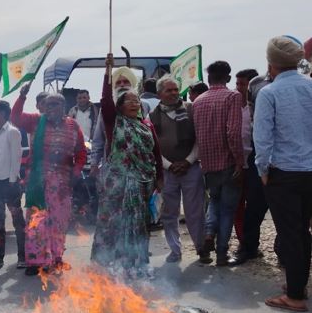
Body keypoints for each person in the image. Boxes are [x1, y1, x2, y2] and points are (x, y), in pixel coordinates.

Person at [91, 54, 163, 278]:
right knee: (113, 225)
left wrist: (160, 177)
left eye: (136, 101)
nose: (134, 103)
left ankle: (136, 265)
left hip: (142, 185)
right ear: (119, 108)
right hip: (116, 186)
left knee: (138, 225)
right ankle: (108, 267)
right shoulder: (114, 123)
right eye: (128, 101)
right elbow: (105, 101)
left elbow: (156, 152)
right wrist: (107, 72)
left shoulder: (145, 125)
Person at [253, 36, 312, 312]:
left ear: (271, 63)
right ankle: (296, 285)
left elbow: (262, 139)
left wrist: (262, 170)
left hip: (283, 174)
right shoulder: (310, 86)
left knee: (290, 234)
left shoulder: (269, 93)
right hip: (309, 172)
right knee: (303, 231)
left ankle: (296, 297)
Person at [23, 94, 87, 275]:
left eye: (55, 104)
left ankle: (56, 258)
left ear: (63, 106)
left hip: (62, 184)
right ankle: (36, 262)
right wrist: (22, 94)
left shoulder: (73, 126)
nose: (50, 107)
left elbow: (81, 152)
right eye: (47, 104)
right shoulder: (38, 122)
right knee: (37, 222)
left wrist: (75, 172)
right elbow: (15, 117)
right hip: (38, 182)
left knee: (58, 222)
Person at [150, 75, 209, 264]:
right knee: (169, 213)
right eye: (169, 90)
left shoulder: (191, 110)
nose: (174, 93)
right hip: (167, 171)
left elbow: (200, 139)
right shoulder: (152, 116)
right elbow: (152, 146)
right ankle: (175, 250)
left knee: (195, 211)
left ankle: (201, 249)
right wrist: (169, 165)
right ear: (160, 94)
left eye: (176, 89)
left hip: (190, 168)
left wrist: (188, 161)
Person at [192, 60, 244, 267]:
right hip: (229, 162)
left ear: (208, 78)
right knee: (228, 209)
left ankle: (208, 233)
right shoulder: (233, 97)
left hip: (208, 164)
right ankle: (222, 253)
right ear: (228, 78)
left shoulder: (198, 101)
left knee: (214, 201)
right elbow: (233, 133)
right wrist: (240, 162)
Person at [0, 100, 25, 270]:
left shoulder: (13, 132)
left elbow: (16, 159)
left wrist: (11, 182)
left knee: (18, 222)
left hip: (10, 184)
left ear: (2, 114)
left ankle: (23, 257)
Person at [89, 66, 151, 173]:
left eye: (126, 81)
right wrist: (94, 163)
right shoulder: (107, 109)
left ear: (132, 84)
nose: (122, 85)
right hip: (113, 165)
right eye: (118, 82)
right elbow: (99, 138)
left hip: (140, 165)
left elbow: (151, 137)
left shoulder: (144, 106)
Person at [231, 69, 260, 253]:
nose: (240, 88)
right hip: (237, 163)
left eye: (243, 84)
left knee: (256, 207)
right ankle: (245, 242)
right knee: (238, 205)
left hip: (256, 164)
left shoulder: (258, 107)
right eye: (238, 84)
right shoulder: (231, 108)